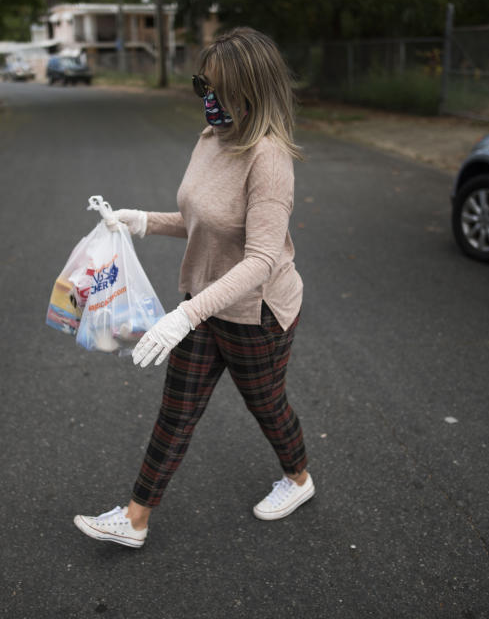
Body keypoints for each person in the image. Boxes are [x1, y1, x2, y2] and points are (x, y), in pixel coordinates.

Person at [73, 27, 312, 549]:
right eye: (202, 84)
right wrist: (141, 221)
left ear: (251, 91)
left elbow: (263, 257)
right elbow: (202, 221)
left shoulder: (268, 160)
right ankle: (134, 518)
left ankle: (299, 479)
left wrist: (184, 316)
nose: (208, 99)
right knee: (177, 410)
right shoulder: (209, 140)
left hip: (257, 314)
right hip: (205, 305)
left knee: (268, 407)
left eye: (219, 89)